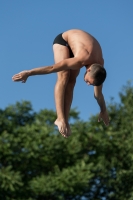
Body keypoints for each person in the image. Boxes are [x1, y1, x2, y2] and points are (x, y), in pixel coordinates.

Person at [12, 29, 109, 138]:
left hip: (80, 47)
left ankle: (65, 121)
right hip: (64, 41)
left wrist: (103, 110)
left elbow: (98, 95)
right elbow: (52, 68)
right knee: (63, 75)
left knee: (72, 82)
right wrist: (29, 73)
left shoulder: (99, 69)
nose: (87, 84)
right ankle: (60, 118)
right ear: (89, 70)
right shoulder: (81, 60)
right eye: (88, 81)